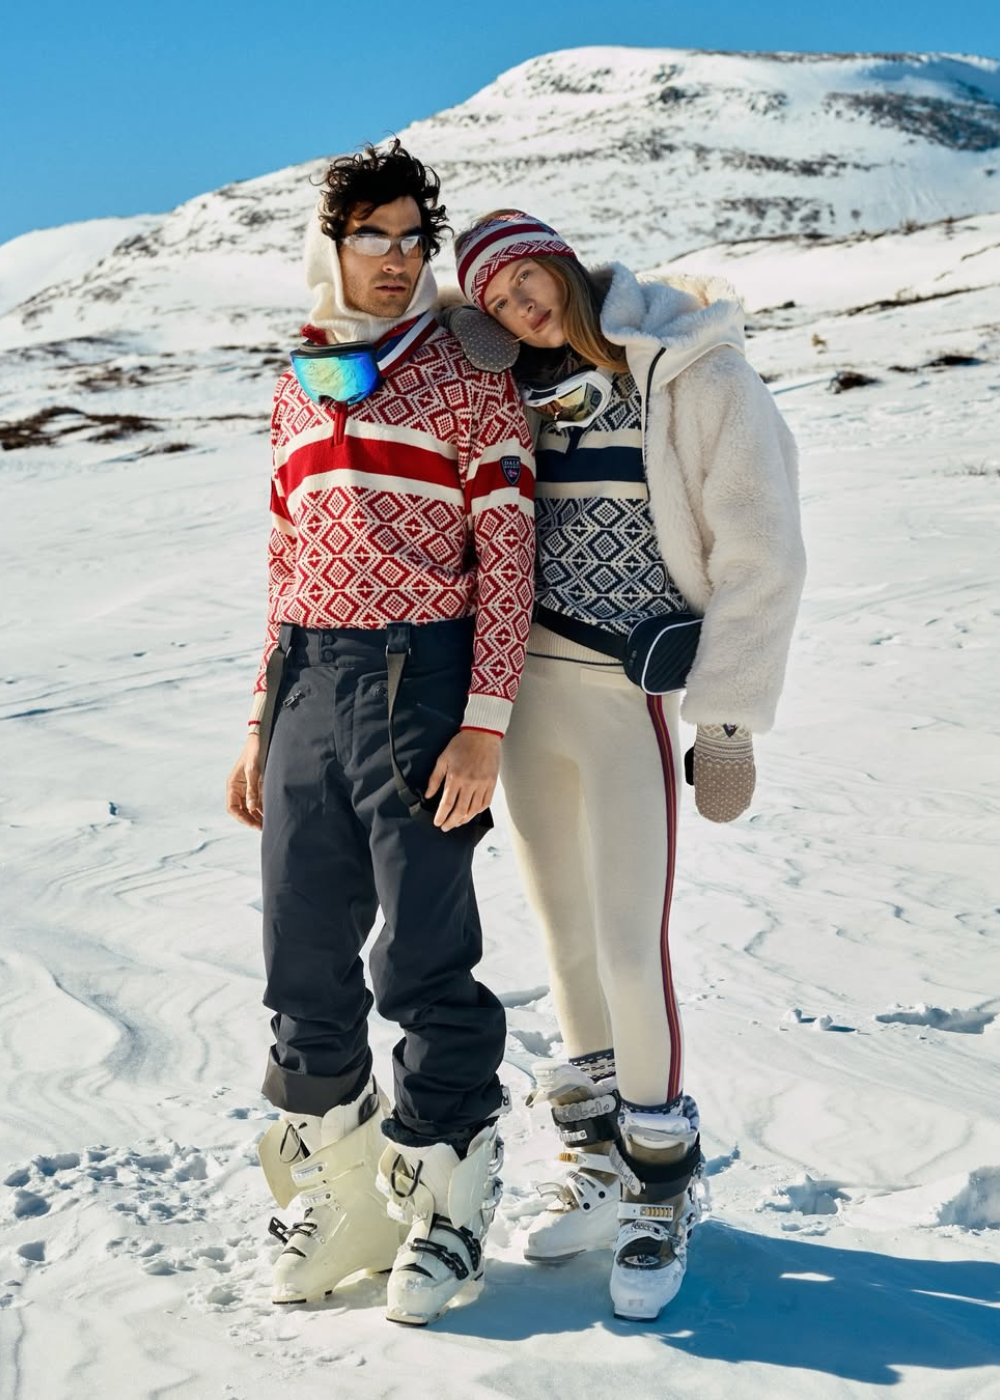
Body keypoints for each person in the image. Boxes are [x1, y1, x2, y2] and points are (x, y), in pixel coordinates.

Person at [451, 210, 806, 1321]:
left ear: (561, 262)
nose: (520, 308)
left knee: (624, 942)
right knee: (563, 940)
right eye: (494, 303)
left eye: (525, 280)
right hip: (525, 697)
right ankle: (597, 1162)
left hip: (626, 697)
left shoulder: (695, 371)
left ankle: (660, 1190)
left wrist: (728, 719)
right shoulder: (516, 388)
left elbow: (761, 550)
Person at [225, 151, 535, 1327]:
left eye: (413, 237)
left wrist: (484, 723)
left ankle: (446, 1196)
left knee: (420, 955)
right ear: (332, 245)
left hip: (422, 679)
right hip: (308, 678)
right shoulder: (296, 382)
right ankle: (345, 1196)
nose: (398, 257)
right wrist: (259, 719)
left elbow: (508, 556)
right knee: (301, 957)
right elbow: (283, 559)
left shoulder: (468, 373)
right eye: (374, 235)